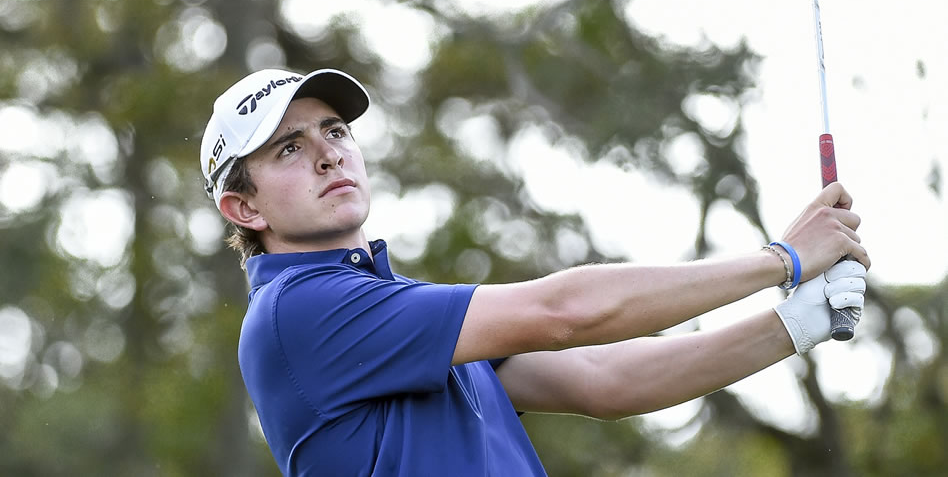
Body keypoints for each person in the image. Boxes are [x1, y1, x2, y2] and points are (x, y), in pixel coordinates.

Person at [199, 68, 869, 476]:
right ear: (244, 206)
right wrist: (780, 261)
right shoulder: (302, 312)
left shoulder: (397, 313)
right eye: (290, 147)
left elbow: (605, 380)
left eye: (336, 131)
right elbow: (563, 313)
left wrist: (796, 322)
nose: (327, 154)